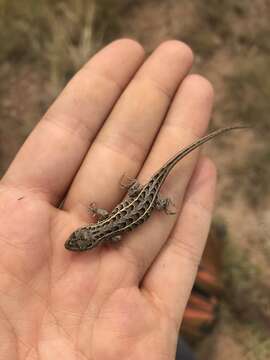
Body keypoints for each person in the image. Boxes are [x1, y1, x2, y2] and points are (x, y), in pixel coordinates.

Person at [0, 39, 216, 359]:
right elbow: (106, 217)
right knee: (149, 204)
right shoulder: (103, 226)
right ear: (88, 239)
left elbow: (113, 228)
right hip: (141, 196)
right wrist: (105, 206)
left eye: (76, 239)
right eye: (77, 240)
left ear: (90, 239)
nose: (74, 240)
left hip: (145, 198)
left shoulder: (108, 235)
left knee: (156, 205)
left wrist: (141, 205)